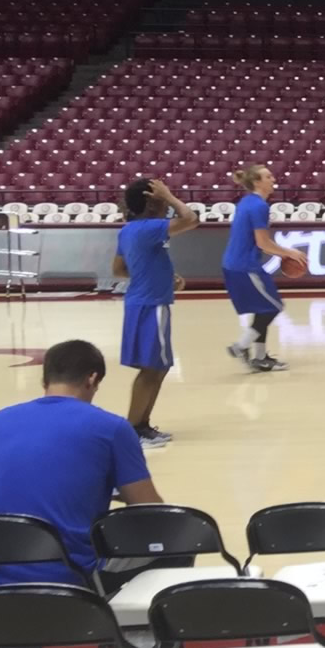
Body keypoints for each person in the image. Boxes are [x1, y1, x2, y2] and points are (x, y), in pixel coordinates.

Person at [0, 340, 163, 587]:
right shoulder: (111, 428)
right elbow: (151, 511)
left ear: (45, 381)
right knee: (175, 538)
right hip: (64, 578)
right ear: (92, 379)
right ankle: (124, 623)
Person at [113, 178, 198, 447]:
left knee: (156, 368)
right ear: (151, 202)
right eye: (160, 199)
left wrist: (163, 276)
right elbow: (191, 219)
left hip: (141, 302)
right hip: (151, 305)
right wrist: (171, 196)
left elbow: (119, 269)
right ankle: (135, 429)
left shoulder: (129, 230)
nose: (167, 205)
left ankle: (142, 426)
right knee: (152, 370)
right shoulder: (150, 227)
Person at [222, 163, 292, 372]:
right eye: (268, 176)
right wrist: (291, 253)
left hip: (234, 264)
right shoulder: (259, 206)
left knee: (263, 308)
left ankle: (260, 358)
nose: (273, 179)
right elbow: (263, 243)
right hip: (245, 266)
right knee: (275, 306)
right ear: (257, 182)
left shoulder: (247, 202)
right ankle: (241, 346)